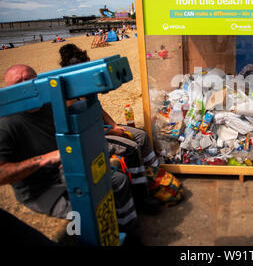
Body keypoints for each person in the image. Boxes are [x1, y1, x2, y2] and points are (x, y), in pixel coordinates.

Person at [0, 65, 140, 236]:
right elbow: (2, 174)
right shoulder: (5, 124)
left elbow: (80, 125)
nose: (26, 85)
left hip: (70, 170)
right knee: (84, 209)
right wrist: (43, 159)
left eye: (30, 79)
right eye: (18, 82)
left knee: (119, 181)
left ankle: (129, 231)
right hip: (42, 187)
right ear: (8, 90)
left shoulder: (52, 105)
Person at [58, 44, 160, 210]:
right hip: (90, 135)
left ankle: (155, 175)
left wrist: (113, 125)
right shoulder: (68, 95)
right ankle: (141, 196)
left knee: (141, 135)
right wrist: (112, 130)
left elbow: (99, 109)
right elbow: (82, 126)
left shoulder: (85, 85)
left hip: (103, 127)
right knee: (132, 148)